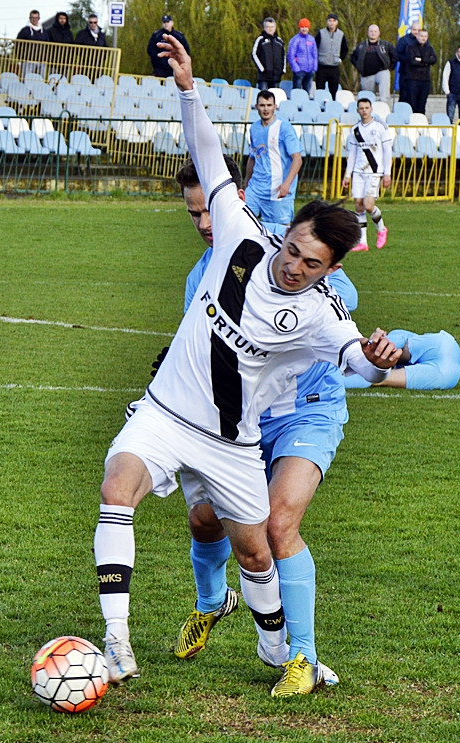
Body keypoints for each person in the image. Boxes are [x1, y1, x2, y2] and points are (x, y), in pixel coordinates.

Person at [93, 31, 400, 693]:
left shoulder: (322, 309)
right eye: (290, 249)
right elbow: (207, 153)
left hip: (241, 437)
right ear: (281, 234)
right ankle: (116, 641)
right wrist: (187, 89)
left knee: (257, 545)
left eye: (308, 261)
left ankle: (276, 651)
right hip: (169, 416)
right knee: (118, 489)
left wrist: (374, 358)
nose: (291, 265)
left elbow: (356, 360)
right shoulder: (238, 236)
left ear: (331, 267)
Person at [171, 157, 357, 698]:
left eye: (211, 209)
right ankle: (212, 602)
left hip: (307, 409)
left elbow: (334, 320)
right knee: (205, 521)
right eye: (193, 214)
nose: (206, 223)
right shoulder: (202, 274)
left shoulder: (301, 262)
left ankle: (303, 657)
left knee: (277, 524)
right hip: (242, 420)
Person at [243, 89, 303, 228]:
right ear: (256, 107)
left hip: (277, 190)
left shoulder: (284, 128)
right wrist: (247, 185)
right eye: (262, 105)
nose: (265, 109)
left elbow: (297, 159)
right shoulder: (254, 128)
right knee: (242, 223)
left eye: (269, 105)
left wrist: (287, 184)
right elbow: (253, 157)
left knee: (281, 233)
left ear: (275, 106)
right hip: (255, 189)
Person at [342, 97, 392, 252]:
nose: (364, 111)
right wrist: (347, 174)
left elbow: (387, 151)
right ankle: (363, 242)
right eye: (361, 108)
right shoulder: (355, 129)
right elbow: (352, 153)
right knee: (358, 205)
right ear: (357, 110)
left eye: (366, 108)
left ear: (371, 109)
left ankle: (381, 229)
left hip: (374, 171)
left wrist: (387, 173)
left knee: (368, 205)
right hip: (358, 171)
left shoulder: (380, 127)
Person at [344, 330, 460, 390]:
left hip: (443, 370)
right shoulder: (398, 339)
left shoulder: (441, 373)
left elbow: (375, 379)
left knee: (379, 376)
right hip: (442, 346)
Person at [350, 25, 395, 105]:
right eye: (371, 31)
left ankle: (384, 108)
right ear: (368, 33)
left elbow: (394, 55)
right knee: (368, 98)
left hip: (381, 71)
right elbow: (353, 57)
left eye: (375, 31)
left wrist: (390, 67)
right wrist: (359, 67)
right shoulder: (361, 46)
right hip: (367, 74)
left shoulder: (386, 45)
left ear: (379, 33)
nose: (373, 33)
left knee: (384, 93)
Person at [401, 28, 436, 114]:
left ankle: (421, 122)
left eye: (425, 36)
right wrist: (426, 61)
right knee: (412, 103)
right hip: (413, 79)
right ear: (417, 36)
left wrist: (421, 60)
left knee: (422, 104)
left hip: (425, 80)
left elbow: (434, 60)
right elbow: (412, 61)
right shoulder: (410, 47)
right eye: (421, 36)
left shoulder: (429, 48)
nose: (423, 38)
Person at [314, 13, 347, 99]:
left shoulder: (341, 34)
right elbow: (314, 47)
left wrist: (340, 59)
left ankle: (332, 106)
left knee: (333, 91)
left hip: (334, 67)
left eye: (333, 21)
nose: (331, 23)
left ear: (337, 22)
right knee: (320, 90)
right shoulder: (321, 33)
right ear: (327, 22)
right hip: (322, 66)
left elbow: (345, 49)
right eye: (330, 21)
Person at [251, 17, 284, 92]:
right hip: (264, 76)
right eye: (268, 27)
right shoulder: (260, 40)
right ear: (264, 28)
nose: (270, 29)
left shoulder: (279, 41)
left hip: (276, 75)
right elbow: (254, 54)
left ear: (275, 27)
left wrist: (282, 70)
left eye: (272, 27)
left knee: (273, 96)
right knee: (263, 95)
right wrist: (262, 69)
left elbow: (283, 56)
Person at [287, 18, 317, 93]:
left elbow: (315, 54)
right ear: (299, 27)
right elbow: (291, 55)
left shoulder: (311, 39)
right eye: (302, 27)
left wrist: (314, 68)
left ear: (308, 28)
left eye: (306, 27)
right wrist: (296, 68)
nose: (304, 29)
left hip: (310, 71)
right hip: (299, 71)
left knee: (307, 92)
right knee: (297, 92)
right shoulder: (295, 40)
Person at [16, 10, 46, 78]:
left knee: (41, 81)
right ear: (29, 18)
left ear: (39, 18)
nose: (34, 19)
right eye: (32, 17)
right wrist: (21, 57)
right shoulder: (24, 31)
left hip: (41, 61)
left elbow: (48, 45)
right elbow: (18, 44)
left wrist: (45, 58)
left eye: (36, 18)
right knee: (26, 79)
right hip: (28, 60)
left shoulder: (44, 31)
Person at [395, 21, 420, 96]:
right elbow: (397, 54)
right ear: (411, 29)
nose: (416, 32)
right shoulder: (403, 40)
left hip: (419, 74)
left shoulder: (424, 41)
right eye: (414, 30)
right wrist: (410, 60)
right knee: (404, 96)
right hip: (405, 73)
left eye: (418, 30)